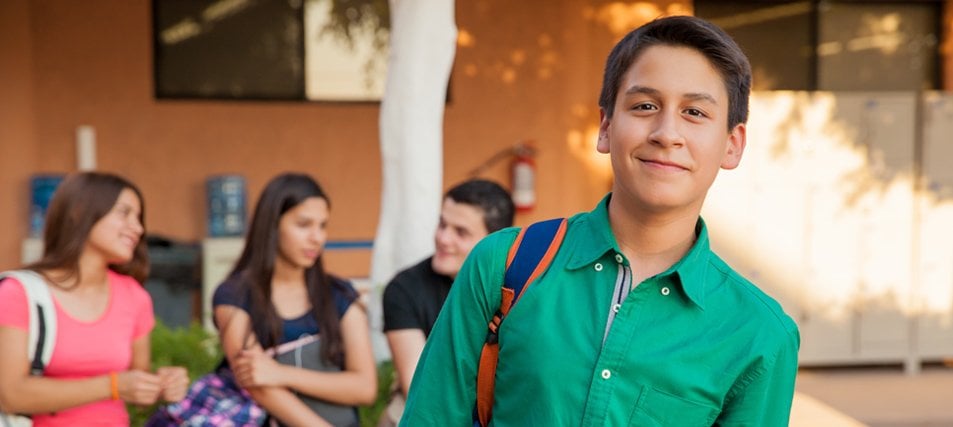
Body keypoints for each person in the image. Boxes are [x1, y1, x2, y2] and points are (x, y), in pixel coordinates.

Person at [400, 15, 799, 426]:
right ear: (606, 126)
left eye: (695, 112)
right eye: (644, 106)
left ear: (732, 146)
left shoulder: (759, 334)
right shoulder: (504, 265)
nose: (666, 133)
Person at [0, 172, 189, 426]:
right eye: (124, 213)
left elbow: (135, 388)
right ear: (79, 212)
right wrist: (111, 386)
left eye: (138, 217)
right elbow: (11, 395)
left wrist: (163, 385)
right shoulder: (19, 293)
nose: (139, 228)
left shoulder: (134, 296)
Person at [212, 172, 376, 426]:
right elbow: (258, 384)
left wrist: (281, 373)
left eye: (322, 226)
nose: (317, 237)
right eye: (303, 225)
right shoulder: (234, 296)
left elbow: (365, 387)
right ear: (273, 225)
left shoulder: (340, 295)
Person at [381, 180, 514, 413]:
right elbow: (417, 385)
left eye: (460, 232)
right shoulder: (404, 288)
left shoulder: (520, 286)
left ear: (494, 243)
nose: (443, 238)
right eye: (442, 224)